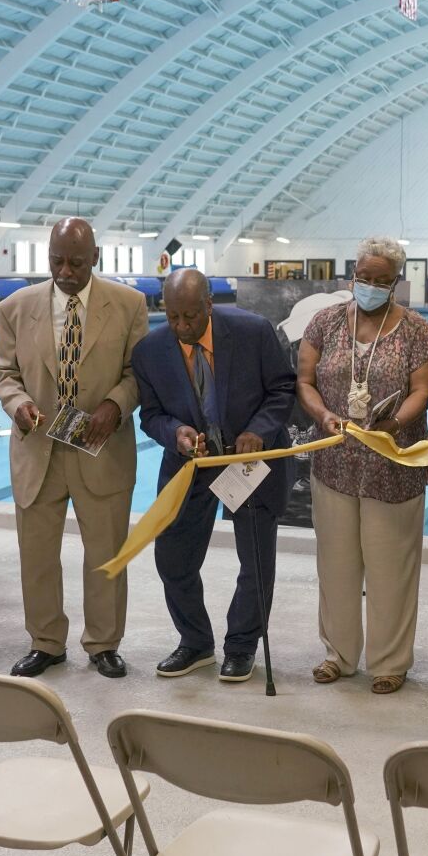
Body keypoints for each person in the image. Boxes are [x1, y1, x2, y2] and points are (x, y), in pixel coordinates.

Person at [0, 217, 148, 679]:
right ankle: (45, 641)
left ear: (95, 257)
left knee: (106, 554)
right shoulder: (15, 308)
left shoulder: (129, 304)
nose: (66, 272)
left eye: (76, 262)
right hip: (38, 449)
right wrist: (17, 404)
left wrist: (116, 406)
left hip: (101, 447)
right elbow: (2, 372)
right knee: (37, 556)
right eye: (57, 261)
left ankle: (103, 643)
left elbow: (139, 373)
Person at [134, 269, 295, 683]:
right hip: (190, 465)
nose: (182, 327)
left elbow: (282, 389)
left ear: (208, 304)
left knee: (255, 562)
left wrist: (258, 430)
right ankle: (195, 642)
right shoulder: (150, 351)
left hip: (249, 463)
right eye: (172, 317)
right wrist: (177, 433)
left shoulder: (252, 331)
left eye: (190, 316)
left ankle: (241, 646)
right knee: (172, 556)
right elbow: (151, 415)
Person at [296, 236, 428, 695]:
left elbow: (423, 389)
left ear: (396, 281)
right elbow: (305, 380)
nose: (372, 287)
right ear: (351, 277)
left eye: (382, 280)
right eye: (365, 278)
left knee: (390, 569)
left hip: (393, 467)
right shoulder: (326, 322)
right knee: (335, 566)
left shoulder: (416, 329)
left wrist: (396, 423)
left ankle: (389, 662)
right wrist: (322, 415)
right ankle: (338, 654)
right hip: (335, 464)